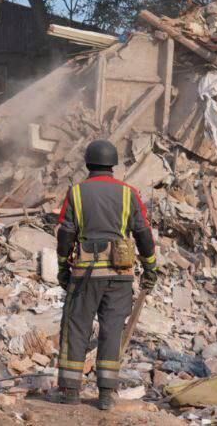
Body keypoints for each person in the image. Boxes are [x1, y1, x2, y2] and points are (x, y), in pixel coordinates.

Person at [54, 138, 159, 411]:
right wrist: (151, 268)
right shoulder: (129, 193)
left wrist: (63, 267)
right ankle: (105, 394)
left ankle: (70, 392)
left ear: (88, 163)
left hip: (85, 275)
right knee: (112, 330)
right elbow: (144, 233)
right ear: (113, 164)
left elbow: (66, 234)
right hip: (120, 276)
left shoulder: (76, 192)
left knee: (76, 327)